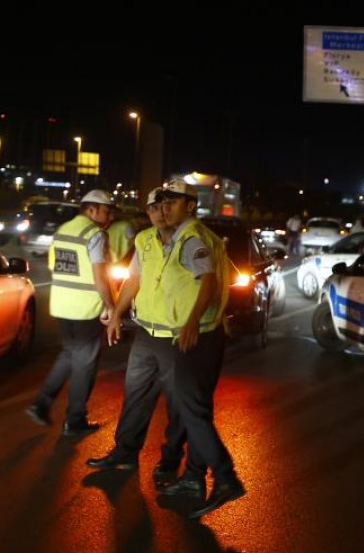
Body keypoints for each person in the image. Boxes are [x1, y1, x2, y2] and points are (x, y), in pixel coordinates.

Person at [86, 187, 190, 487]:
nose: (160, 212)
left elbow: (206, 284)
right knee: (135, 395)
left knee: (176, 402)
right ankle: (124, 453)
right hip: (146, 332)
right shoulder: (144, 241)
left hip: (175, 336)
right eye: (153, 208)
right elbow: (134, 280)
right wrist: (117, 314)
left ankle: (170, 463)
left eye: (166, 206)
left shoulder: (192, 240)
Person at [154, 177, 246, 519]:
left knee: (191, 411)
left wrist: (191, 321)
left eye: (173, 202)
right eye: (163, 202)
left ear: (190, 206)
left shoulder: (192, 238)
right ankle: (193, 478)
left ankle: (225, 478)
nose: (166, 207)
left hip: (196, 336)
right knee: (198, 412)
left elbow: (207, 279)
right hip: (207, 334)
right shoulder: (198, 235)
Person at [25, 189, 117, 436]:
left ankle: (41, 404)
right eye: (106, 210)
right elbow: (100, 275)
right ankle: (75, 420)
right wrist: (111, 306)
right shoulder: (95, 234)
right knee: (84, 365)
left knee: (69, 354)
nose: (109, 215)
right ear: (92, 209)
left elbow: (55, 265)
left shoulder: (63, 231)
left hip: (62, 305)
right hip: (85, 308)